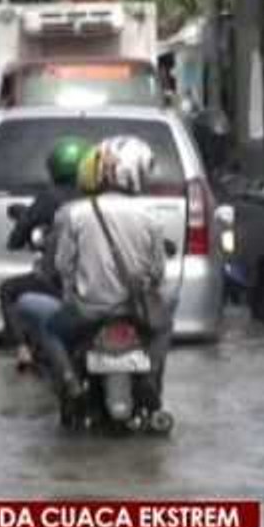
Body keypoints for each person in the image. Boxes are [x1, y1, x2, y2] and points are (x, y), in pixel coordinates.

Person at [38, 136, 172, 406]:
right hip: (134, 311)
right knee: (164, 324)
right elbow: (158, 272)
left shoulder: (77, 214)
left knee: (50, 330)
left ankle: (70, 384)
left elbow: (63, 266)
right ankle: (151, 380)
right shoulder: (149, 216)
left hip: (88, 311)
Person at [0, 136, 89, 371]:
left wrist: (21, 230)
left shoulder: (50, 198)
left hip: (60, 283)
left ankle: (22, 349)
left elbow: (16, 238)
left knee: (8, 290)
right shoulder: (97, 198)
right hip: (96, 282)